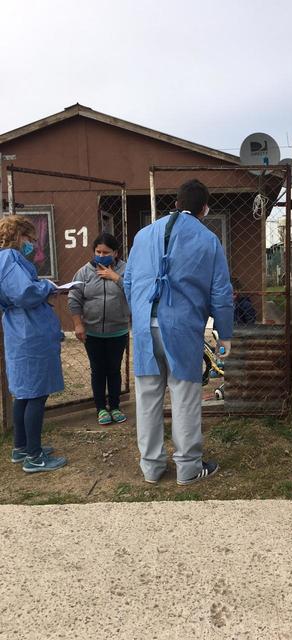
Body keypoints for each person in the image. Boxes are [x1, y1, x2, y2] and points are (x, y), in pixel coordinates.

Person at [124, 179, 233, 485]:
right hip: (182, 326)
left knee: (147, 396)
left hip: (145, 325)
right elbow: (221, 292)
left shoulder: (144, 235)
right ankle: (188, 467)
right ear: (205, 208)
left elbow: (129, 281)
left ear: (175, 203)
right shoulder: (208, 239)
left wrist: (141, 312)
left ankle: (151, 466)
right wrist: (224, 334)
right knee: (184, 395)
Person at [0, 215, 67, 473]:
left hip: (20, 330)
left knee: (24, 394)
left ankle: (22, 447)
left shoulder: (7, 260)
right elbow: (24, 293)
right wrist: (46, 287)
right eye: (30, 239)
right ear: (18, 236)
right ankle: (35, 457)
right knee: (36, 393)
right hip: (30, 332)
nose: (33, 245)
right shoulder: (9, 259)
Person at [68, 232, 129, 425]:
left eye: (106, 252)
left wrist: (116, 278)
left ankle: (116, 406)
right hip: (93, 332)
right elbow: (74, 298)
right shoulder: (84, 272)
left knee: (113, 369)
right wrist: (78, 324)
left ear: (116, 253)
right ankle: (101, 408)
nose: (101, 255)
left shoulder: (126, 270)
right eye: (98, 251)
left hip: (118, 331)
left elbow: (136, 291)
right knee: (98, 370)